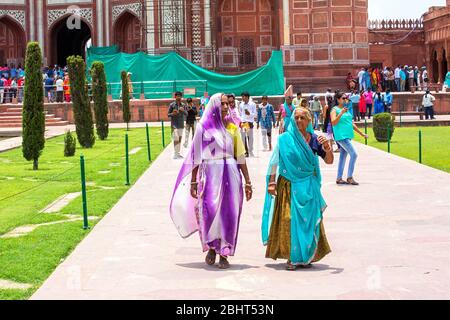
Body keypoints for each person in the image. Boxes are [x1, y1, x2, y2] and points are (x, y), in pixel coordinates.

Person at [170, 93, 253, 269]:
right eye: (222, 104)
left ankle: (225, 252)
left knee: (229, 213)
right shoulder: (204, 128)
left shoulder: (233, 127)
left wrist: (247, 181)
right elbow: (196, 157)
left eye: (227, 105)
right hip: (211, 177)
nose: (225, 107)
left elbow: (240, 156)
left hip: (231, 175)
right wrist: (193, 182)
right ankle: (212, 248)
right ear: (214, 106)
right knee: (210, 211)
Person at [262, 107, 334, 270]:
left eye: (303, 118)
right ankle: (292, 257)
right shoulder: (285, 139)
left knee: (308, 222)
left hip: (308, 187)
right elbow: (275, 161)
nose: (299, 120)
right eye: (297, 118)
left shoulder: (316, 140)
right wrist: (271, 182)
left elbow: (329, 161)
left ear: (309, 121)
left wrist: (328, 149)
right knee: (289, 220)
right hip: (288, 185)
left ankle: (306, 256)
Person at [331, 92, 368, 186]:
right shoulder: (334, 110)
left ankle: (339, 178)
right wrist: (341, 113)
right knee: (354, 154)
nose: (345, 99)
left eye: (346, 98)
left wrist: (361, 134)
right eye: (343, 98)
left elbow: (351, 124)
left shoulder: (346, 110)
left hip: (347, 136)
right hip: (341, 136)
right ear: (338, 99)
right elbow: (333, 122)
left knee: (342, 157)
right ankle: (349, 177)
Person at [168, 91, 188, 159]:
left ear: (181, 97)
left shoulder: (183, 105)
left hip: (181, 124)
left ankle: (178, 153)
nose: (179, 97)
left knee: (179, 139)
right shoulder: (172, 105)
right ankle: (175, 153)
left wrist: (183, 111)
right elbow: (168, 114)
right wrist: (173, 114)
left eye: (180, 96)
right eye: (177, 96)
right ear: (175, 97)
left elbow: (186, 114)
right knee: (175, 138)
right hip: (174, 124)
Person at [239, 92, 256, 157]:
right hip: (244, 123)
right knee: (243, 138)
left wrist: (249, 114)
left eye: (244, 96)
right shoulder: (241, 105)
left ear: (247, 97)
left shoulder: (252, 104)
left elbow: (255, 114)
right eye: (242, 97)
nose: (243, 98)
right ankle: (246, 152)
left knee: (250, 138)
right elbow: (241, 114)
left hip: (249, 122)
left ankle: (250, 151)